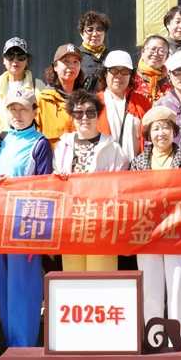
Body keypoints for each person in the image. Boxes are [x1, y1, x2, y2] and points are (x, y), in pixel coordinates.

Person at [129, 105, 181, 328]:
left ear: (174, 131)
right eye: (156, 128)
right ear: (148, 134)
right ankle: (154, 339)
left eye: (166, 127)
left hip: (180, 234)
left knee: (179, 291)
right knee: (150, 292)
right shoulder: (137, 163)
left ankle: (179, 341)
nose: (162, 133)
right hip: (148, 234)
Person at [0, 90, 53, 348]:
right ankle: (11, 345)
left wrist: (15, 185)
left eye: (24, 109)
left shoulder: (40, 143)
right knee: (3, 285)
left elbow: (45, 185)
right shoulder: (2, 139)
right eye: (13, 109)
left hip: (26, 223)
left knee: (23, 286)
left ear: (35, 112)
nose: (17, 114)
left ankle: (24, 347)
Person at [54, 90, 129, 272]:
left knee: (101, 275)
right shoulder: (62, 146)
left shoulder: (112, 147)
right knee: (72, 274)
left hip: (101, 222)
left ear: (98, 115)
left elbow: (122, 184)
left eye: (90, 112)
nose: (84, 118)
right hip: (71, 221)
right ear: (72, 116)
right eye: (78, 113)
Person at [0, 37, 38, 148]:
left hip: (31, 146)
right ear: (4, 60)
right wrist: (6, 142)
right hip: (3, 147)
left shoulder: (37, 86)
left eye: (20, 56)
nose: (15, 60)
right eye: (10, 56)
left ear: (26, 60)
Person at [36, 44, 90, 144]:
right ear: (55, 67)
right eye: (66, 61)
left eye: (75, 62)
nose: (71, 66)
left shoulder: (87, 101)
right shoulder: (42, 101)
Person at [97, 50, 145, 159]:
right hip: (104, 167)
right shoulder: (94, 103)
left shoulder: (142, 103)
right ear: (105, 73)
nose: (119, 75)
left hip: (136, 167)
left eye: (124, 71)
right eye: (113, 70)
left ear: (131, 75)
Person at [130, 34, 172, 118]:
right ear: (143, 52)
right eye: (152, 49)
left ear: (166, 57)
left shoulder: (171, 81)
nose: (156, 54)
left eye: (161, 51)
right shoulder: (131, 78)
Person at [76, 10, 111, 91]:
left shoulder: (112, 57)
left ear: (105, 33)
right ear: (81, 33)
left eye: (99, 29)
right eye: (90, 30)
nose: (95, 34)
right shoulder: (75, 56)